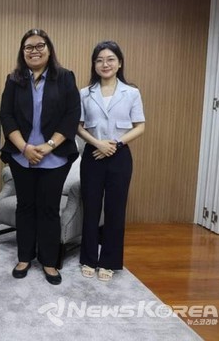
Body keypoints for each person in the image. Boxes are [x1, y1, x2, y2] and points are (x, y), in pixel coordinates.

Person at [0, 28, 80, 285]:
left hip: (54, 158)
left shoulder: (65, 77)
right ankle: (24, 257)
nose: (34, 51)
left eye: (39, 46)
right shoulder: (13, 79)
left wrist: (47, 146)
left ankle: (48, 261)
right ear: (22, 52)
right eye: (28, 47)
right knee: (25, 207)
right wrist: (24, 147)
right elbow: (6, 116)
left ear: (49, 48)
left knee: (48, 208)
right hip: (21, 156)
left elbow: (71, 115)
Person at [77, 41, 145, 281]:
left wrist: (115, 144)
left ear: (119, 63)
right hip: (92, 156)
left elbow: (140, 126)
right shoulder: (85, 93)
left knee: (116, 210)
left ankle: (109, 262)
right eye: (99, 60)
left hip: (120, 157)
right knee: (91, 209)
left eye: (110, 59)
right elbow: (78, 126)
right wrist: (98, 144)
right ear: (94, 65)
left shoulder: (131, 92)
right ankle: (88, 258)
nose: (105, 64)